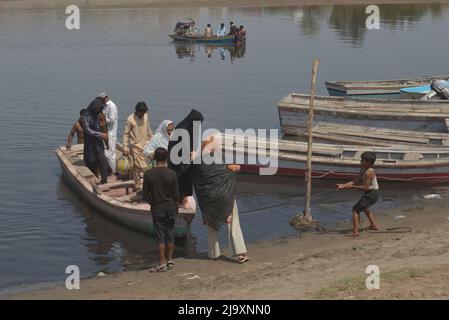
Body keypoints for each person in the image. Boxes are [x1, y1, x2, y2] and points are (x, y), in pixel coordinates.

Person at [193, 136, 249, 263]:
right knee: (233, 224)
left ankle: (213, 253)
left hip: (208, 200)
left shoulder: (197, 163)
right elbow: (231, 170)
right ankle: (240, 253)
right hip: (225, 197)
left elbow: (198, 184)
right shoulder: (219, 159)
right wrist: (237, 167)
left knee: (211, 224)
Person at [143, 148, 179, 272]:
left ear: (154, 158)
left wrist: (152, 202)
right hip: (170, 207)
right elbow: (176, 196)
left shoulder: (148, 174)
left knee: (160, 236)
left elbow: (145, 195)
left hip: (157, 208)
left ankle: (161, 262)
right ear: (166, 158)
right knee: (170, 234)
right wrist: (176, 210)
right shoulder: (172, 173)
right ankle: (170, 260)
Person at [337, 151, 380, 237]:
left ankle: (355, 231)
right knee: (364, 208)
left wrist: (352, 187)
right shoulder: (363, 169)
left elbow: (366, 187)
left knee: (355, 210)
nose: (360, 161)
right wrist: (343, 185)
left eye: (362, 160)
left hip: (373, 193)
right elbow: (355, 181)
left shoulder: (369, 172)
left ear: (368, 162)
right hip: (369, 192)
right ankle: (373, 225)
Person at [168, 109, 204, 206]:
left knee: (186, 177)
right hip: (177, 161)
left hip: (183, 158)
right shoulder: (183, 129)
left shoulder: (189, 127)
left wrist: (192, 152)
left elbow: (192, 143)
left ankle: (181, 198)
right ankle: (178, 199)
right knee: (181, 178)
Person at [123, 102, 153, 192]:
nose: (143, 114)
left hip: (146, 144)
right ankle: (139, 186)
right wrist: (125, 146)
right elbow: (126, 134)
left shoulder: (146, 116)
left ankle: (138, 185)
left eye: (144, 112)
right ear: (137, 111)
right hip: (135, 146)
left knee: (136, 167)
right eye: (142, 112)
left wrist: (153, 140)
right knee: (142, 167)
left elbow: (148, 129)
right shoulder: (130, 119)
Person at [82, 97, 109, 184]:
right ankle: (92, 179)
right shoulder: (86, 115)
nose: (98, 110)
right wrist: (101, 134)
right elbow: (87, 130)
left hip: (98, 141)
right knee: (91, 160)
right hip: (89, 141)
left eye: (99, 108)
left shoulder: (99, 114)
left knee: (102, 159)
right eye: (96, 108)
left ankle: (104, 180)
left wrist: (106, 141)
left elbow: (103, 127)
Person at [98, 92, 118, 174]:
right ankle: (109, 170)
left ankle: (114, 172)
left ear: (106, 97)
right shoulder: (104, 106)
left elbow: (112, 120)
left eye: (102, 99)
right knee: (106, 152)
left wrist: (103, 121)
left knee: (110, 154)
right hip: (105, 132)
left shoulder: (111, 106)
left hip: (111, 132)